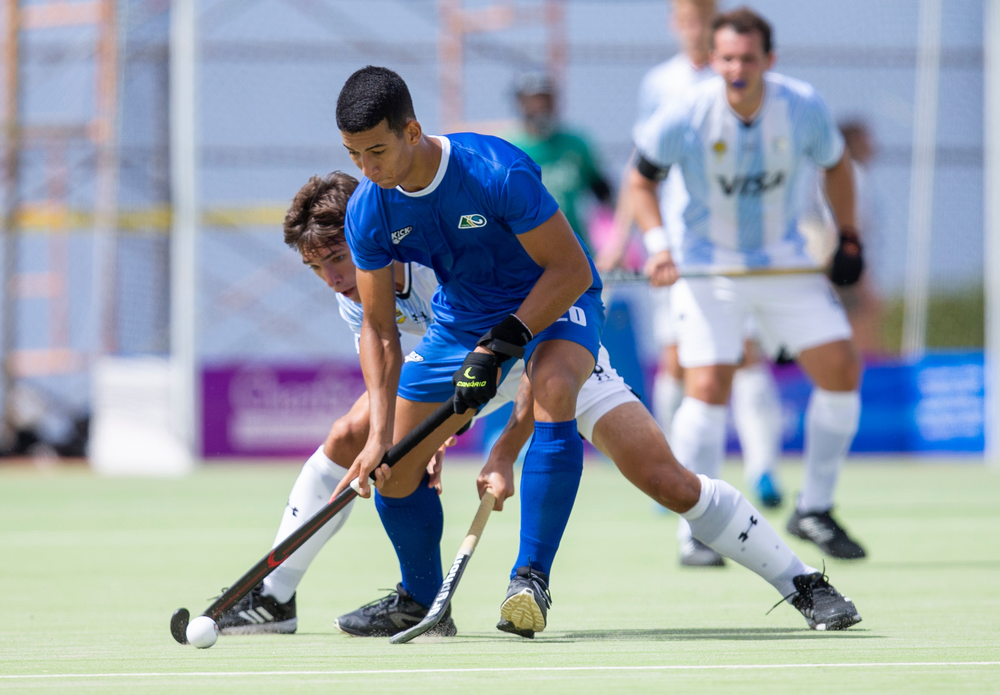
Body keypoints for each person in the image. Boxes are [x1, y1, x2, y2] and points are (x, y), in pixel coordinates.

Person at [215, 170, 862, 638]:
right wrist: (419, 438)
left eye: (337, 258)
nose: (333, 277)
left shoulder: (439, 257)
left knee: (666, 479)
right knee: (352, 435)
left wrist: (505, 449)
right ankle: (277, 596)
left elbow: (532, 359)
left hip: (545, 340)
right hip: (464, 363)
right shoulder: (359, 290)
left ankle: (802, 580)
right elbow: (397, 364)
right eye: (316, 267)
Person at [330, 65, 606, 640]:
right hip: (464, 317)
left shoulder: (495, 171)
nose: (367, 169)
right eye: (354, 155)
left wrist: (501, 345)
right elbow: (379, 330)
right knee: (394, 468)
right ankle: (422, 602)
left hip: (553, 297)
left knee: (555, 387)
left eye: (377, 151)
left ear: (412, 132)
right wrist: (378, 434)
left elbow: (571, 268)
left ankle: (530, 579)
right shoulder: (369, 209)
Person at [628, 7, 868, 561]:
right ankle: (697, 529)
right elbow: (639, 181)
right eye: (728, 59)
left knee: (841, 368)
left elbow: (836, 165)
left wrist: (849, 235)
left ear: (769, 60)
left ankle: (815, 508)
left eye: (748, 59)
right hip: (706, 266)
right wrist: (659, 247)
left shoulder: (802, 106)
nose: (738, 69)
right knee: (708, 383)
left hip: (784, 260)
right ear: (713, 60)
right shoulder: (686, 111)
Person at [604, 0, 787, 564]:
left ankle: (763, 469)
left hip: (744, 248)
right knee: (682, 362)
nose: (695, 30)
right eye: (687, 20)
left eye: (704, 20)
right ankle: (675, 479)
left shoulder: (750, 79)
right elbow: (642, 169)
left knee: (744, 356)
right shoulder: (662, 83)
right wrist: (625, 238)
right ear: (675, 24)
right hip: (682, 249)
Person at [505, 73, 615, 255]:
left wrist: (615, 240)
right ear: (520, 104)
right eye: (533, 101)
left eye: (545, 100)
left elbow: (602, 191)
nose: (540, 107)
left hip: (574, 245)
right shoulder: (509, 149)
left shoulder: (575, 144)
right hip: (524, 250)